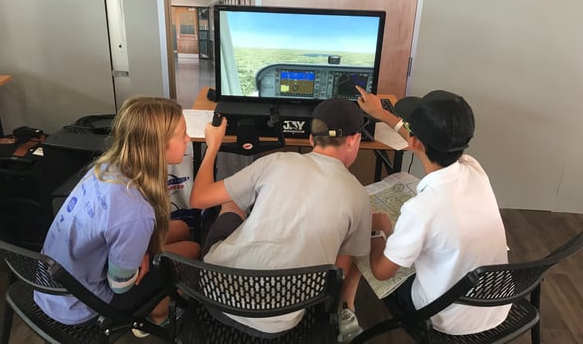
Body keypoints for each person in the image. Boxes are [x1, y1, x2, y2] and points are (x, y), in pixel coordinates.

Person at [189, 98, 372, 340]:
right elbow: (337, 273)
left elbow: (198, 198)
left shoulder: (275, 161)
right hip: (280, 320)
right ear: (353, 140)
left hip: (215, 296)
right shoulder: (358, 195)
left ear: (310, 139)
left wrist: (213, 146)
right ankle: (347, 311)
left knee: (232, 200)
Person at [34, 97, 201, 329]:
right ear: (158, 145)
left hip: (52, 285)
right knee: (192, 250)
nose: (188, 139)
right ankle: (159, 317)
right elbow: (120, 286)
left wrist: (141, 252)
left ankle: (156, 292)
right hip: (82, 305)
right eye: (182, 134)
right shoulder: (136, 211)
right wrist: (138, 259)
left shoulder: (105, 167)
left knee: (182, 228)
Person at [355, 86, 510, 335]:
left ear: (415, 141)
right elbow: (419, 139)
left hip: (445, 318)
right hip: (496, 304)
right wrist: (383, 115)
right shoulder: (474, 168)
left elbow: (382, 272)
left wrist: (380, 232)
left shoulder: (421, 210)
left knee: (360, 244)